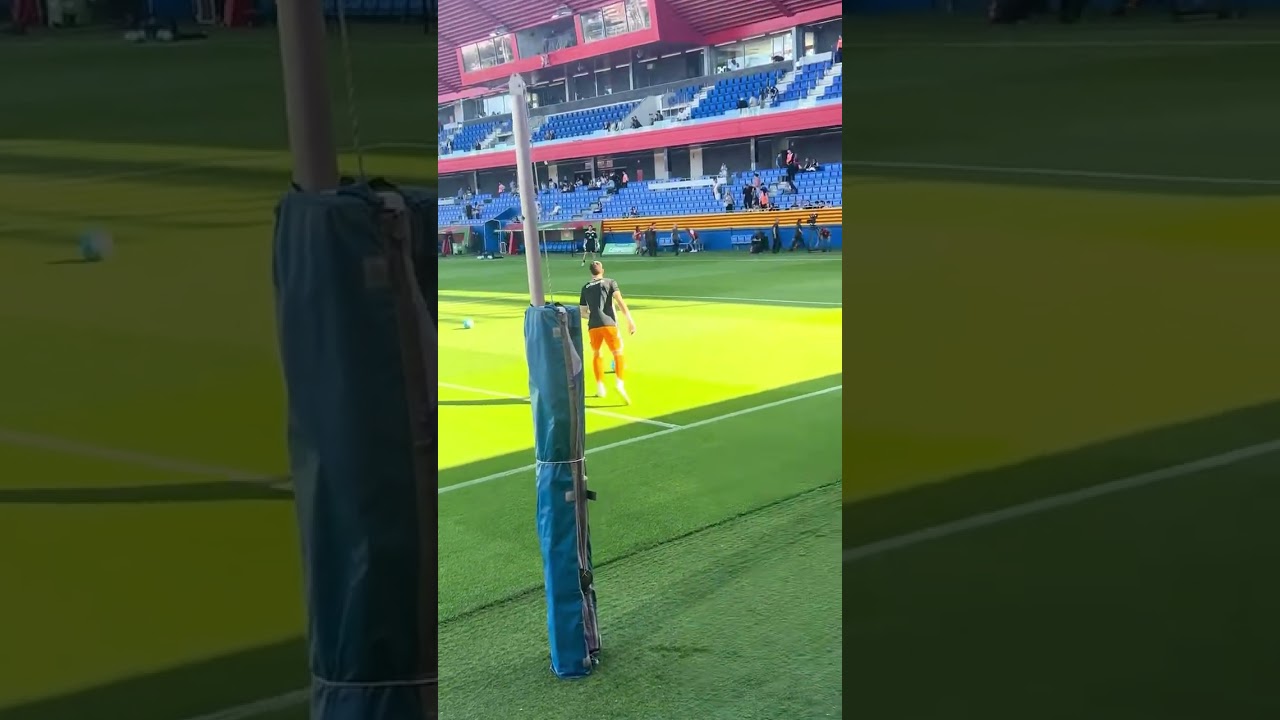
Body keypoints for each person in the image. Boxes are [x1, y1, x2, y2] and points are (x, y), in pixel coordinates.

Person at [579, 261, 635, 403]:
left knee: (597, 354)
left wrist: (592, 316)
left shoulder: (585, 287)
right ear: (602, 270)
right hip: (609, 323)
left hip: (593, 326)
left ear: (591, 272)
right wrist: (629, 320)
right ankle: (619, 383)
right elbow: (619, 301)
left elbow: (582, 312)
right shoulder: (610, 282)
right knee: (617, 353)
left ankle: (600, 388)